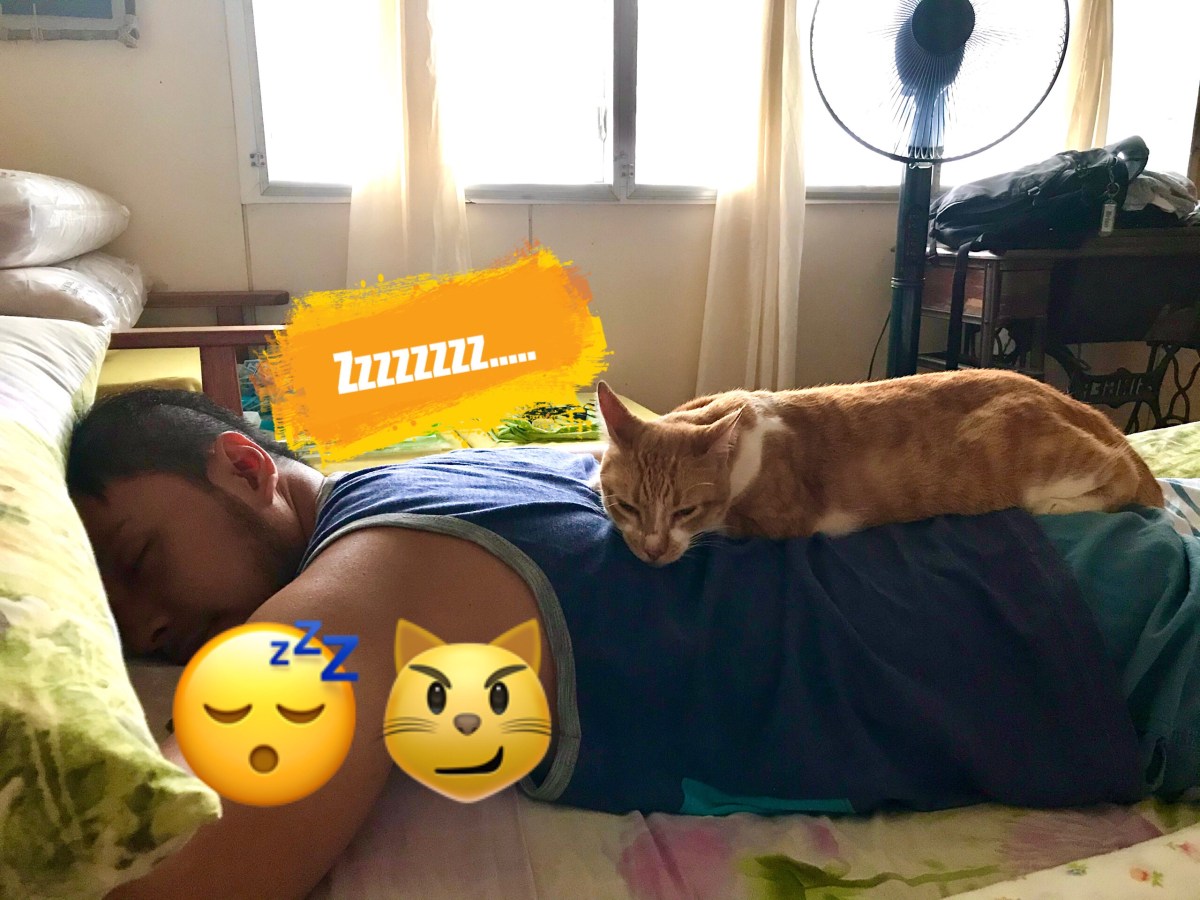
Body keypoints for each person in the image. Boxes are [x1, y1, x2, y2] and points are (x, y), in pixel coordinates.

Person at [67, 389, 1200, 900]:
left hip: (1083, 633)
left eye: (139, 560)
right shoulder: (411, 468)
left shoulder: (362, 581)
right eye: (112, 613)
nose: (143, 624)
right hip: (1064, 560)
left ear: (245, 468)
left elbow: (177, 878)